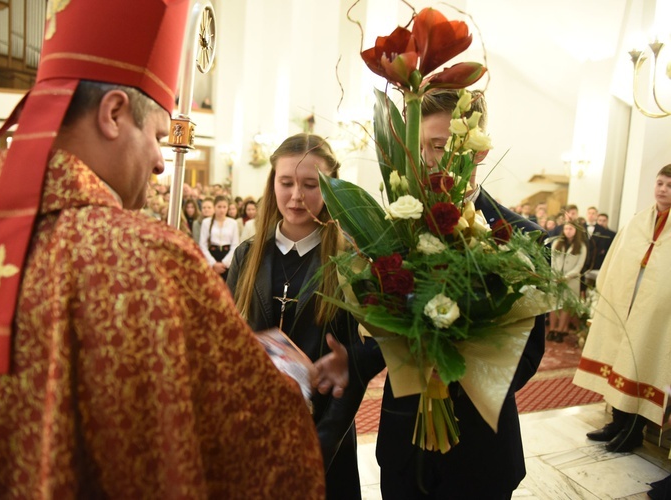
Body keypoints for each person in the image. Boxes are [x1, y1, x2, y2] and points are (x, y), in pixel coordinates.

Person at [0, 2, 339, 496]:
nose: (163, 162)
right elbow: (256, 444)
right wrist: (292, 378)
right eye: (159, 135)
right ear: (115, 113)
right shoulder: (144, 260)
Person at [374, 88, 546, 499]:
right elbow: (372, 315)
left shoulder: (521, 236)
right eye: (418, 147)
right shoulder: (393, 226)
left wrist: (452, 370)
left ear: (478, 149)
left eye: (437, 146)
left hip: (481, 445)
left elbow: (529, 352)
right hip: (403, 440)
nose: (427, 161)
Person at [227, 133, 383, 500]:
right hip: (254, 432)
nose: (297, 196)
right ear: (273, 184)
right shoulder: (246, 256)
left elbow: (367, 355)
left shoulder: (351, 260)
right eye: (287, 183)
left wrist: (320, 445)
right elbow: (229, 339)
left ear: (331, 188)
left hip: (325, 436)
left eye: (311, 185)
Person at [574, 164, 671, 454]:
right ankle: (617, 423)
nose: (663, 189)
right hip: (625, 302)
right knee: (617, 361)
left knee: (643, 365)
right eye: (660, 182)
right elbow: (617, 258)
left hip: (657, 314)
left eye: (669, 184)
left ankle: (633, 432)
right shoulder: (638, 221)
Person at [548, 220, 587, 342]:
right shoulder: (557, 243)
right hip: (555, 278)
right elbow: (553, 261)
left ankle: (560, 330)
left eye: (570, 229)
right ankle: (552, 329)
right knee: (554, 305)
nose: (568, 231)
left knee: (565, 306)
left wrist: (566, 277)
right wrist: (555, 275)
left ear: (576, 230)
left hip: (570, 280)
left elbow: (579, 267)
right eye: (566, 229)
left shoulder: (581, 246)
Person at [200, 195, 239, 280]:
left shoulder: (233, 223)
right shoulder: (206, 222)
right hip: (212, 255)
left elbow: (235, 244)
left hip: (227, 256)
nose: (222, 210)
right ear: (214, 207)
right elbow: (203, 245)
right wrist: (213, 263)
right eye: (219, 207)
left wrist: (225, 263)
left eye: (224, 207)